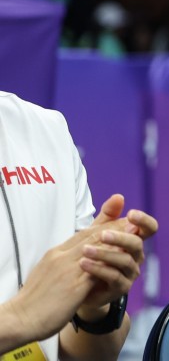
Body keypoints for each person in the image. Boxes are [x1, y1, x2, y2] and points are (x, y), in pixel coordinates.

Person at [0, 91, 158, 359]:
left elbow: (92, 354)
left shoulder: (47, 129)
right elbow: (28, 316)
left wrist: (93, 309)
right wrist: (20, 317)